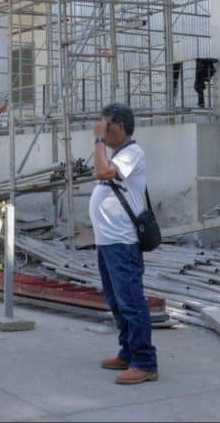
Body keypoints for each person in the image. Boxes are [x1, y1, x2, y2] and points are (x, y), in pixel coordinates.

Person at [90, 102, 158, 385]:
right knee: (116, 300)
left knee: (131, 302)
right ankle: (128, 351)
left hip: (122, 242)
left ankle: (144, 361)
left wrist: (97, 141)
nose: (102, 132)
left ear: (117, 126)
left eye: (105, 126)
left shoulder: (132, 153)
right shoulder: (119, 154)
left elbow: (103, 173)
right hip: (107, 242)